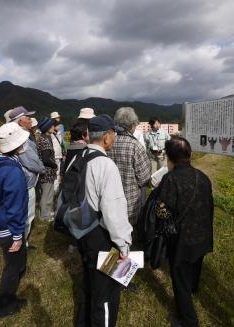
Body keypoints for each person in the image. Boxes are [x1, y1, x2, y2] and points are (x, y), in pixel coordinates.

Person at [75, 114, 133, 327]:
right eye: (114, 134)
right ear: (107, 137)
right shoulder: (105, 165)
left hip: (82, 231)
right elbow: (113, 213)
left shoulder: (79, 156)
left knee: (89, 285)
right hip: (102, 238)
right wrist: (124, 247)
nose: (115, 138)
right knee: (106, 294)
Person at [157, 137, 214, 327]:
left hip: (181, 239)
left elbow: (163, 212)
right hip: (202, 235)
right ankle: (193, 289)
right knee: (195, 265)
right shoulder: (203, 176)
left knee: (179, 277)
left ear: (170, 157)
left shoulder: (170, 179)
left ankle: (188, 320)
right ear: (189, 154)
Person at [0, 122, 30, 318]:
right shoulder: (13, 171)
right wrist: (17, 236)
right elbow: (15, 207)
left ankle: (9, 299)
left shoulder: (0, 161)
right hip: (9, 228)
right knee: (14, 268)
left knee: (15, 265)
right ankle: (4, 305)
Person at [107, 107, 151, 226]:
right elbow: (145, 178)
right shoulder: (135, 145)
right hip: (130, 201)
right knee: (130, 230)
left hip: (110, 198)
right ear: (131, 125)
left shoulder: (107, 142)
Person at [9, 106, 45, 247]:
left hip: (20, 179)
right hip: (26, 181)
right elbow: (31, 161)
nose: (31, 120)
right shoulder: (22, 137)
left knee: (20, 212)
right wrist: (42, 168)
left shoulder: (16, 134)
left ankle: (20, 240)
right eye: (27, 117)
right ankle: (22, 243)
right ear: (19, 121)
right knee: (27, 215)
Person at [36, 118, 58, 221]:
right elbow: (45, 159)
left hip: (46, 171)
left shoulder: (43, 137)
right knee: (47, 194)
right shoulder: (45, 139)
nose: (54, 127)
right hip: (47, 171)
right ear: (47, 128)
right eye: (52, 125)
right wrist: (55, 165)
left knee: (46, 193)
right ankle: (45, 216)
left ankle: (46, 212)